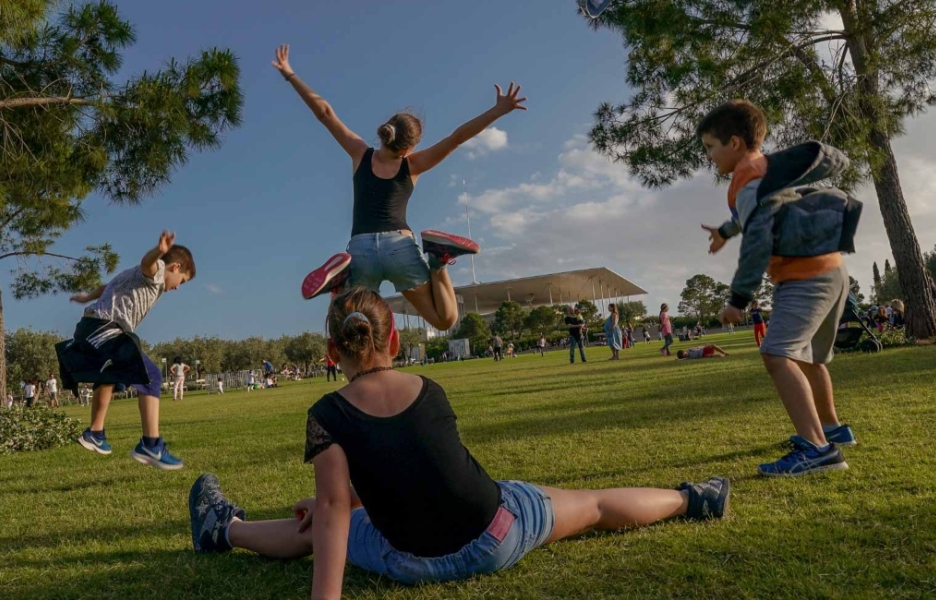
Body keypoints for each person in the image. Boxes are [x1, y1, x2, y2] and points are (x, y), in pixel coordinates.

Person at [185, 287, 731, 596]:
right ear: (394, 339)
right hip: (494, 537)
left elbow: (331, 509)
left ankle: (224, 528)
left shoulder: (327, 412)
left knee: (317, 527)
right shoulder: (430, 388)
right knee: (590, 504)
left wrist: (341, 515)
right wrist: (345, 504)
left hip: (407, 558)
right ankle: (692, 499)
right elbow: (423, 467)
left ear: (332, 355)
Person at [273, 44, 526, 331]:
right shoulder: (412, 165)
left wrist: (290, 74)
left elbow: (325, 113)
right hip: (399, 248)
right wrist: (498, 110)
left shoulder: (360, 154)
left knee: (347, 326)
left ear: (385, 132)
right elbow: (457, 137)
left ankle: (339, 287)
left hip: (361, 252)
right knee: (445, 319)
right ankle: (439, 259)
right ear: (408, 148)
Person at [698, 100, 856, 476]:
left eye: (710, 147)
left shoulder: (747, 178)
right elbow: (758, 213)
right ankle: (832, 429)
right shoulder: (766, 171)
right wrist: (724, 231)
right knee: (808, 358)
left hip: (803, 278)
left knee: (776, 354)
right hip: (833, 271)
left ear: (733, 142)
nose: (709, 156)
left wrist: (738, 299)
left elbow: (758, 237)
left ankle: (819, 450)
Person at [55, 230, 192, 470]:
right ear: (175, 267)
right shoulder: (157, 273)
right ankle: (151, 444)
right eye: (182, 280)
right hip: (104, 328)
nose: (178, 288)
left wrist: (86, 297)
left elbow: (105, 287)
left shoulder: (130, 277)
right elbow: (147, 264)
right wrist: (159, 251)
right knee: (152, 376)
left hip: (91, 327)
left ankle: (95, 433)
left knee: (110, 376)